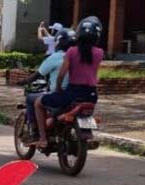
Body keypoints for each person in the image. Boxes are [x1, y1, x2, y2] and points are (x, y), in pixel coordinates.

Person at [35, 16, 103, 150]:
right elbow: (97, 75)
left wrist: (59, 88)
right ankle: (87, 136)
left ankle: (43, 138)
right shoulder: (100, 53)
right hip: (91, 95)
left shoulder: (72, 52)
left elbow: (61, 75)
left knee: (38, 102)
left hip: (72, 94)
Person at [25, 29, 73, 130]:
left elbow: (38, 74)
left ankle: (36, 131)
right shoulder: (79, 57)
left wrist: (24, 81)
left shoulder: (55, 57)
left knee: (31, 98)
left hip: (59, 94)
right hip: (75, 94)